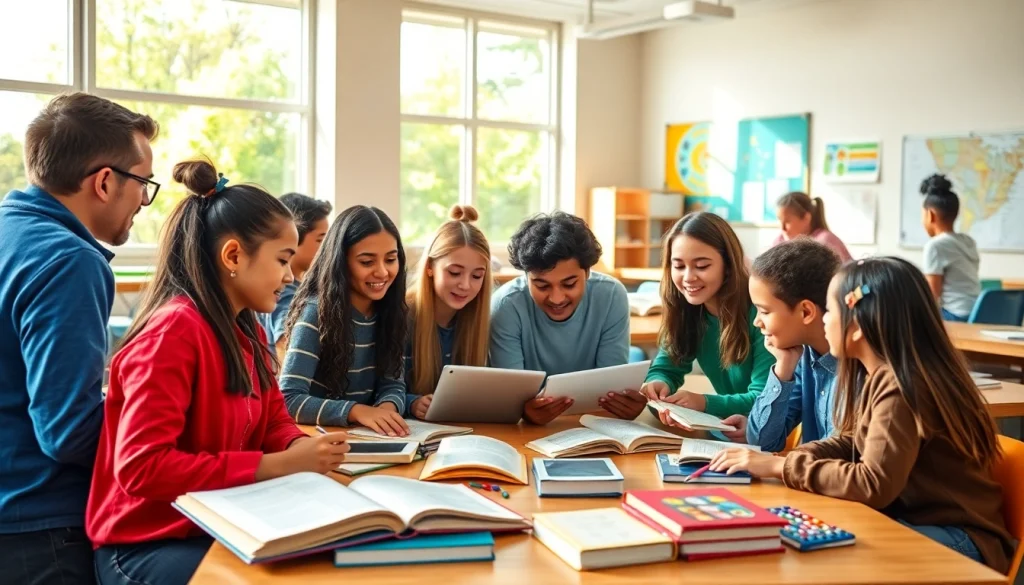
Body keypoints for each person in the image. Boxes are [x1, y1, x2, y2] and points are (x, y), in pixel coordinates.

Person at [86, 159, 350, 585]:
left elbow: (274, 420)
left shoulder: (243, 328)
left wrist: (303, 450)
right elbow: (142, 468)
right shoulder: (173, 333)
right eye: (283, 260)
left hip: (217, 524)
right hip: (143, 545)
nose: (289, 276)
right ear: (233, 255)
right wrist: (275, 466)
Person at [709, 257, 1014, 573]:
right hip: (914, 521)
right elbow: (850, 440)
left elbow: (874, 484)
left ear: (856, 326)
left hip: (960, 539)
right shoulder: (882, 374)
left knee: (822, 558)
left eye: (831, 311)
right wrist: (790, 460)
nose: (825, 322)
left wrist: (781, 465)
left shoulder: (901, 385)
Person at [0, 93, 158, 584]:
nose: (144, 203)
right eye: (143, 184)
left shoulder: (10, 231)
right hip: (38, 526)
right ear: (106, 181)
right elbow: (67, 431)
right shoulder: (70, 260)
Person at [489, 211, 637, 424]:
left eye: (569, 284)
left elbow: (610, 388)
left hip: (592, 424)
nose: (556, 298)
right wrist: (523, 410)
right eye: (541, 285)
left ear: (587, 272)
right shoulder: (506, 304)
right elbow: (512, 399)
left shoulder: (611, 295)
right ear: (526, 276)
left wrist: (622, 403)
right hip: (527, 430)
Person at [280, 205, 410, 437]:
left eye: (390, 259)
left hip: (368, 437)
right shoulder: (314, 313)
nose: (382, 272)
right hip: (320, 440)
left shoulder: (392, 312)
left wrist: (386, 412)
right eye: (367, 262)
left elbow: (392, 384)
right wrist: (358, 412)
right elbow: (289, 400)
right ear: (341, 262)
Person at [640, 212, 774, 420]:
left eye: (702, 266)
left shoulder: (760, 312)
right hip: (726, 428)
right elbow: (666, 368)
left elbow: (764, 397)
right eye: (678, 266)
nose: (688, 277)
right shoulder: (687, 309)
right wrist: (658, 384)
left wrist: (704, 402)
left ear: (728, 265)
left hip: (769, 434)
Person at [725, 238, 841, 450]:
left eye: (765, 311)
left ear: (806, 312)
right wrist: (783, 368)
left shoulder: (857, 369)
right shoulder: (801, 356)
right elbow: (763, 442)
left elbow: (842, 461)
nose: (756, 321)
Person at [404, 205, 492, 420]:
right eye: (454, 272)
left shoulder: (479, 321)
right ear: (430, 268)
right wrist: (411, 403)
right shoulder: (401, 316)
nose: (465, 285)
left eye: (477, 276)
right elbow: (377, 390)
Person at [257, 193, 332, 355]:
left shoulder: (296, 286)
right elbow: (286, 346)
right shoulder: (285, 292)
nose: (327, 249)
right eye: (321, 240)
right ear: (294, 237)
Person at [919, 174, 980, 321]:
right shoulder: (968, 241)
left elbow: (932, 296)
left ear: (930, 215)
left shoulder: (935, 246)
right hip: (977, 312)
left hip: (955, 315)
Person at [772, 191, 852, 262]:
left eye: (787, 222)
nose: (782, 228)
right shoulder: (779, 241)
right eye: (779, 220)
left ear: (806, 218)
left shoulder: (825, 242)